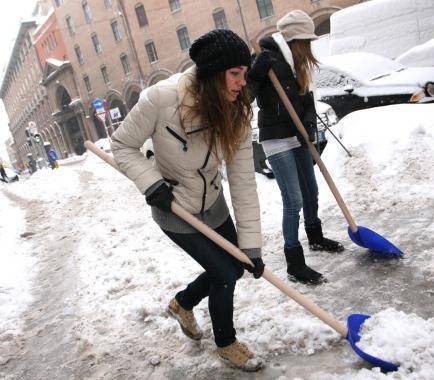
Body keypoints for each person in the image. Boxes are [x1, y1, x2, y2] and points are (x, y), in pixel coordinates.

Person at [111, 29, 265, 372]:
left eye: (245, 72)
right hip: (174, 206)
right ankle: (226, 344)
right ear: (213, 74)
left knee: (236, 265)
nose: (243, 82)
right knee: (225, 273)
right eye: (234, 74)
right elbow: (121, 145)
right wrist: (152, 185)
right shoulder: (160, 99)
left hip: (213, 202)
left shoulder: (236, 111)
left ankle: (183, 303)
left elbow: (242, 180)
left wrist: (251, 246)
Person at [247, 10, 344, 285]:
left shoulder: (298, 64)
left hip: (298, 135)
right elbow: (245, 97)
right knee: (294, 200)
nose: (310, 46)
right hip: (276, 138)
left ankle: (315, 236)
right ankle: (294, 261)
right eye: (306, 40)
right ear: (295, 39)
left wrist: (309, 124)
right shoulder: (266, 60)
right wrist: (254, 75)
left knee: (311, 191)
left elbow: (308, 101)